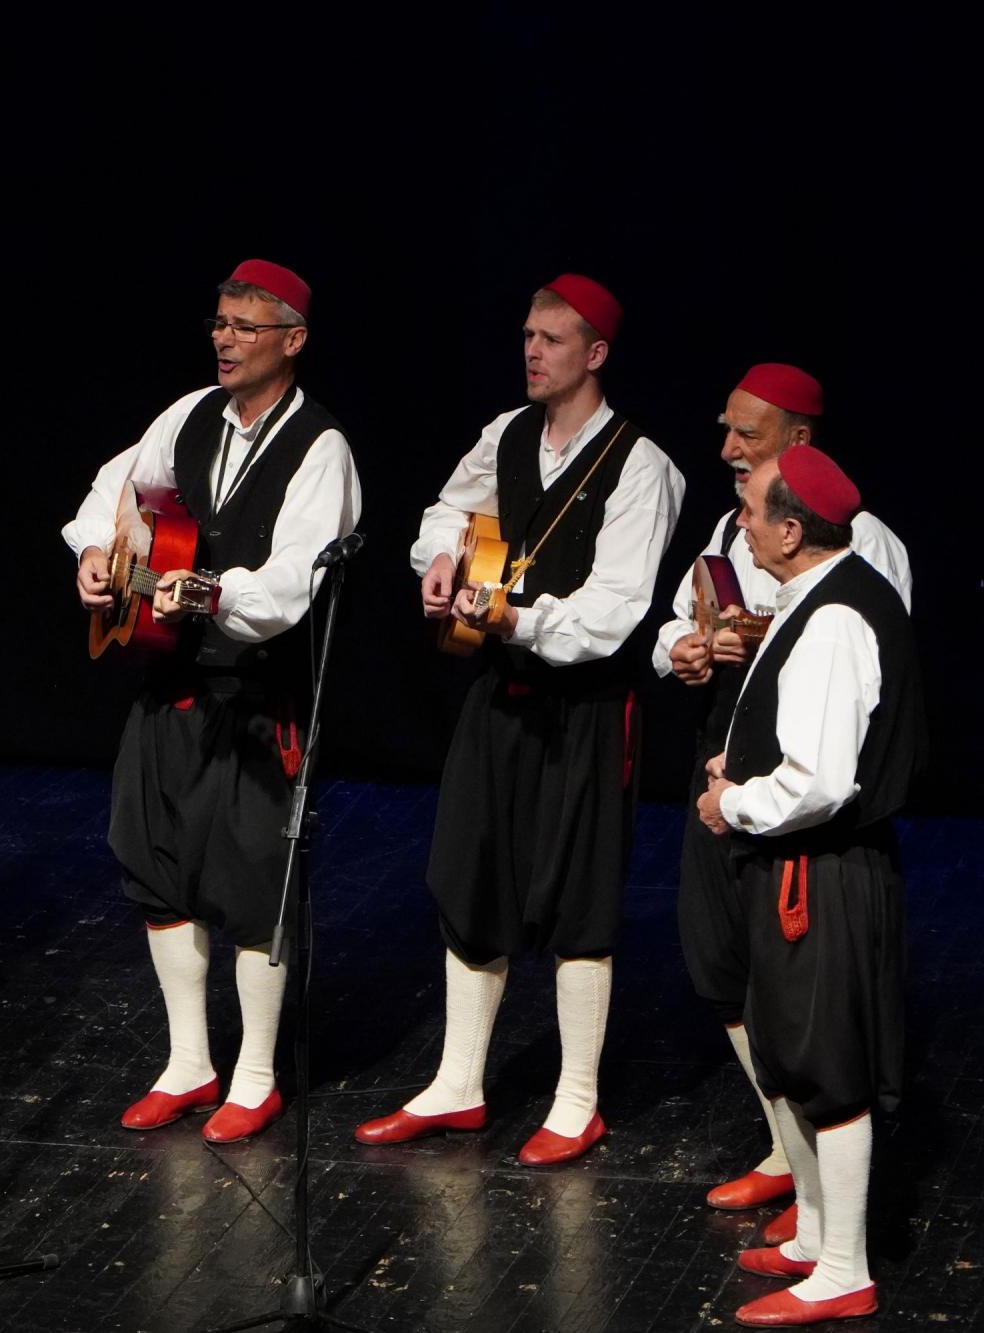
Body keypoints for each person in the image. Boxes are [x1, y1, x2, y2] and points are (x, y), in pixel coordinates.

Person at [359, 275, 684, 1164]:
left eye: (552, 339)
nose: (533, 352)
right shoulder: (506, 433)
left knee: (578, 896)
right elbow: (445, 511)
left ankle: (578, 1100)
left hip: (586, 709)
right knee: (470, 877)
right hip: (500, 697)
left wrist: (517, 619)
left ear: (596, 353)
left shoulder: (641, 464)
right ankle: (459, 1083)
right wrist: (440, 559)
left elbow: (614, 609)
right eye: (528, 337)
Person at [66, 259, 361, 1143]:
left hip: (257, 692)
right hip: (169, 682)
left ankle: (257, 1075)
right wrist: (96, 553)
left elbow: (294, 579)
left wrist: (213, 594)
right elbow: (114, 490)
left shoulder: (321, 447)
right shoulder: (189, 414)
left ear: (293, 340)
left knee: (253, 878)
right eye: (220, 324)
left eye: (244, 327)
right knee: (155, 863)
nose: (225, 340)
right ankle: (189, 1062)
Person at [653, 364, 909, 1227]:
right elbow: (684, 615)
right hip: (741, 779)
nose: (727, 447)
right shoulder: (739, 529)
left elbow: (844, 725)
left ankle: (833, 1229)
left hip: (803, 826)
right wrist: (688, 649)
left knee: (815, 1028)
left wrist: (742, 797)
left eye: (747, 433)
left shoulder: (854, 571)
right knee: (729, 973)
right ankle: (797, 1170)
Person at [697, 448, 922, 1327]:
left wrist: (733, 801)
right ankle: (817, 1237)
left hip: (818, 871)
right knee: (795, 1051)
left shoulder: (833, 619)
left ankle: (843, 1268)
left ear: (792, 531)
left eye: (753, 511)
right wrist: (740, 761)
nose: (741, 524)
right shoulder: (819, 594)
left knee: (829, 1065)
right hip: (804, 865)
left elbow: (821, 781)